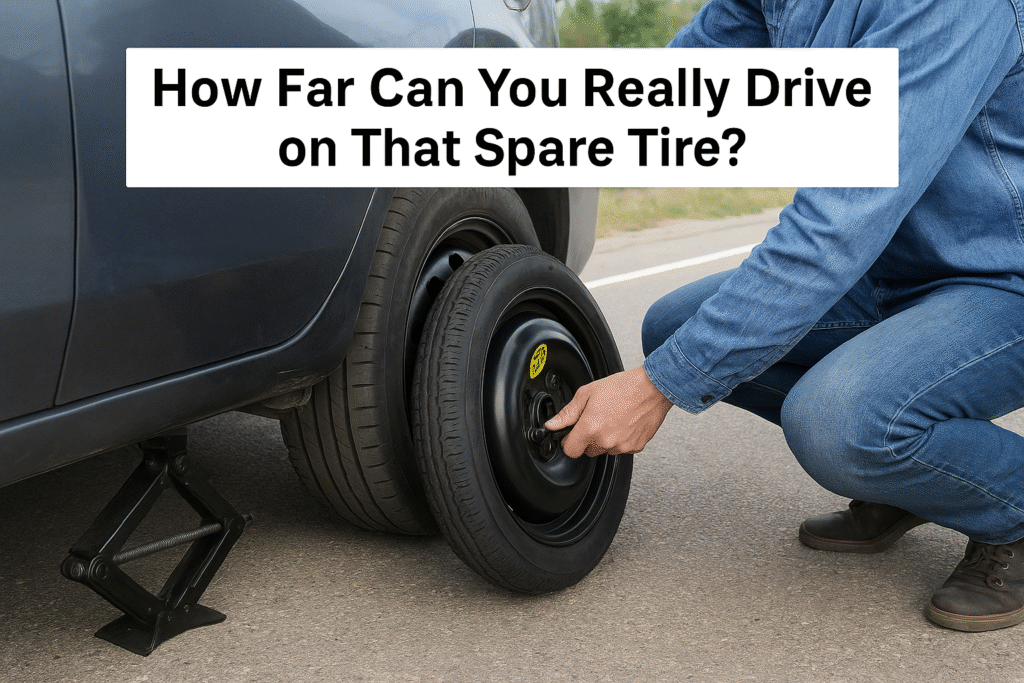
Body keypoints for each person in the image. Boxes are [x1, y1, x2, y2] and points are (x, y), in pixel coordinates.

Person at [545, 0, 1024, 632]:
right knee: (674, 328)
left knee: (836, 421)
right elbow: (667, 97)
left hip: (1001, 281)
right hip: (887, 270)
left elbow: (838, 225)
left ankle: (1010, 511)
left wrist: (659, 385)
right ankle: (914, 482)